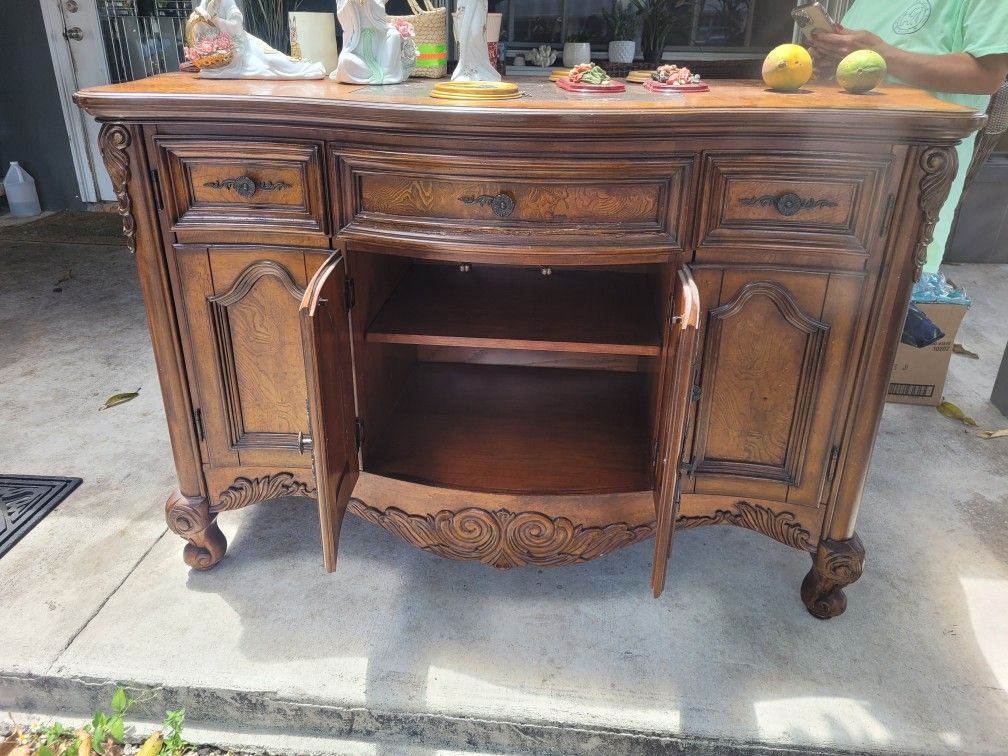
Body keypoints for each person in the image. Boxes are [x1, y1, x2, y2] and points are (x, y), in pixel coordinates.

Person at [811, 1, 1008, 273]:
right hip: (841, 166)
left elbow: (986, 75)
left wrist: (882, 54)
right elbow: (862, 70)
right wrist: (833, 60)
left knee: (887, 290)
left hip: (909, 181)